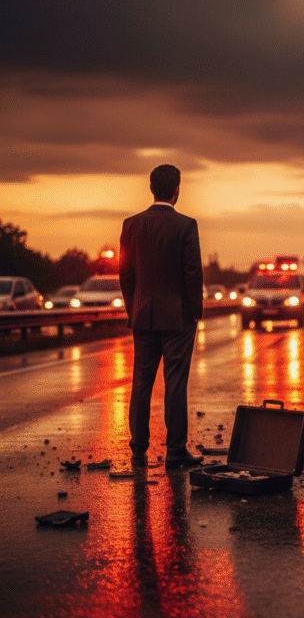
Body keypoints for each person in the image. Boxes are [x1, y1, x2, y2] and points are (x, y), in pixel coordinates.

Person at [119, 164, 205, 467]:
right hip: (178, 317)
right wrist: (195, 312)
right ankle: (175, 451)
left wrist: (135, 309)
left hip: (143, 315)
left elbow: (126, 274)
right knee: (175, 383)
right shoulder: (186, 225)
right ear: (176, 190)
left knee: (141, 382)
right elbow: (192, 273)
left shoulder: (131, 225)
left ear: (151, 188)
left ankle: (138, 449)